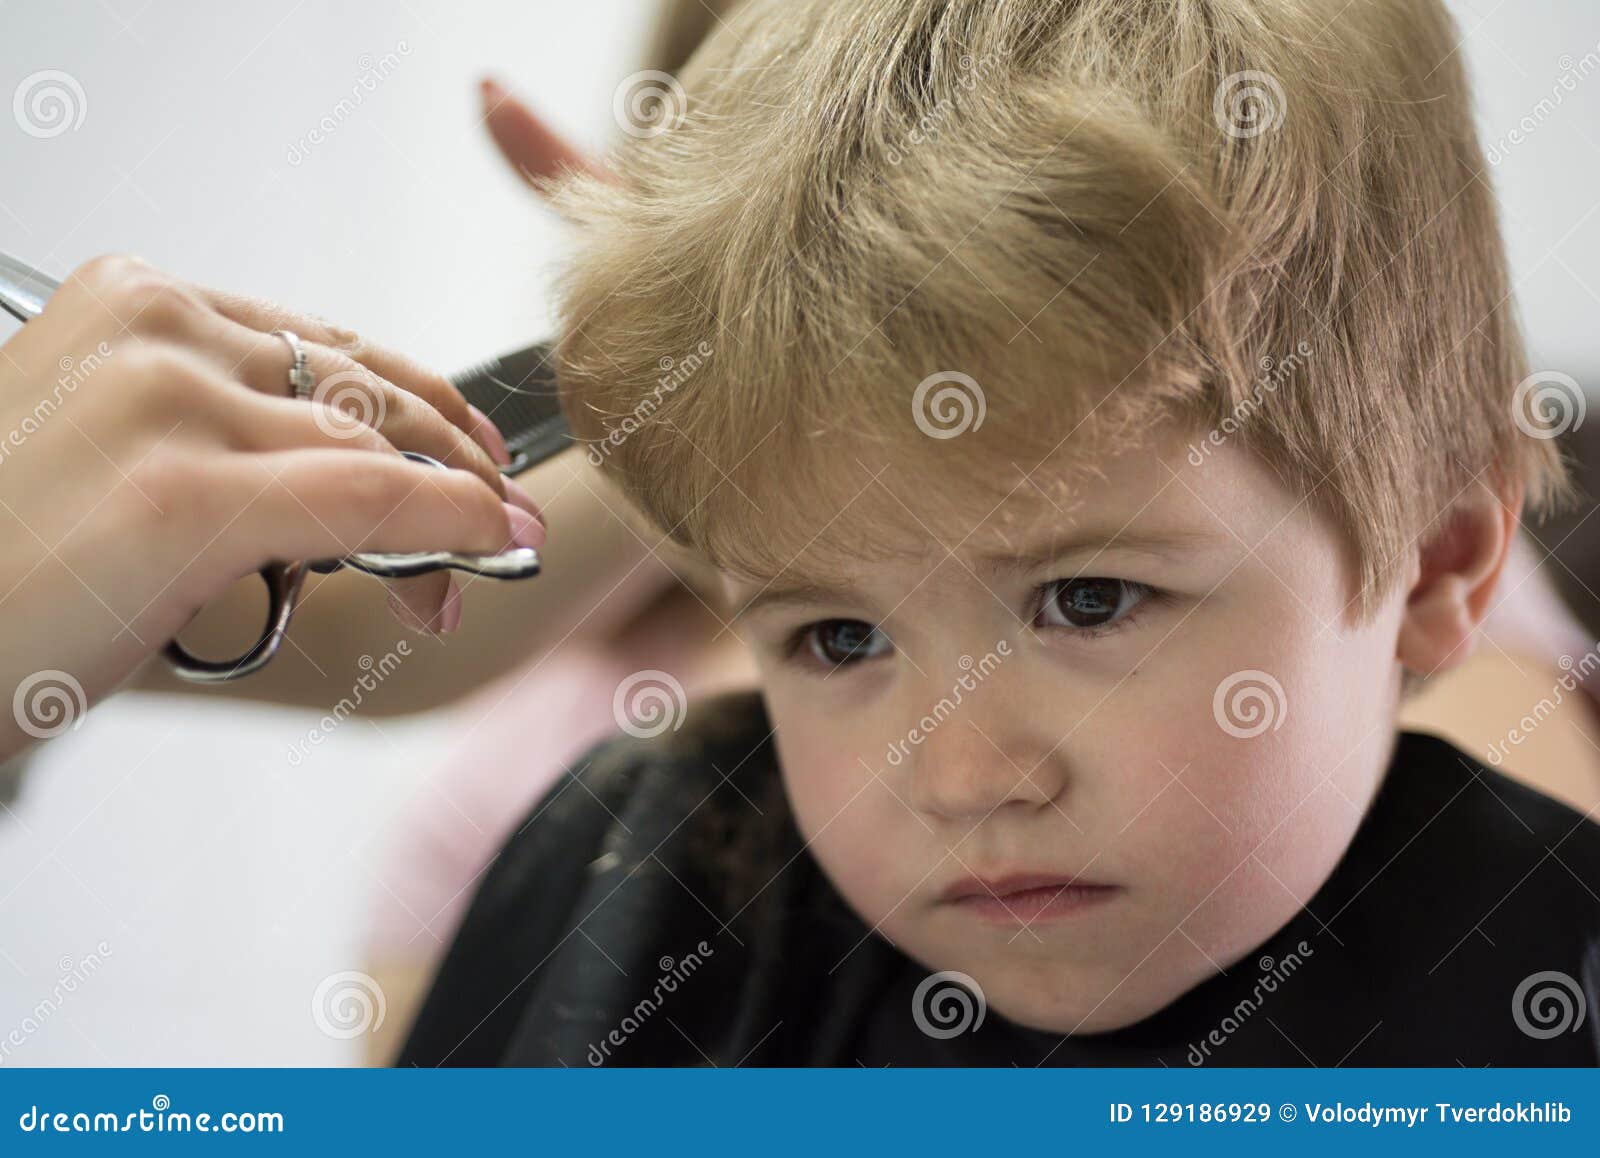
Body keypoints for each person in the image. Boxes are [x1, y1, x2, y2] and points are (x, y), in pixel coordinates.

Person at [398, 0, 1600, 1065]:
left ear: (1438, 556)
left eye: (1087, 600)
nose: (965, 779)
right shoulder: (636, 912)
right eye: (837, 637)